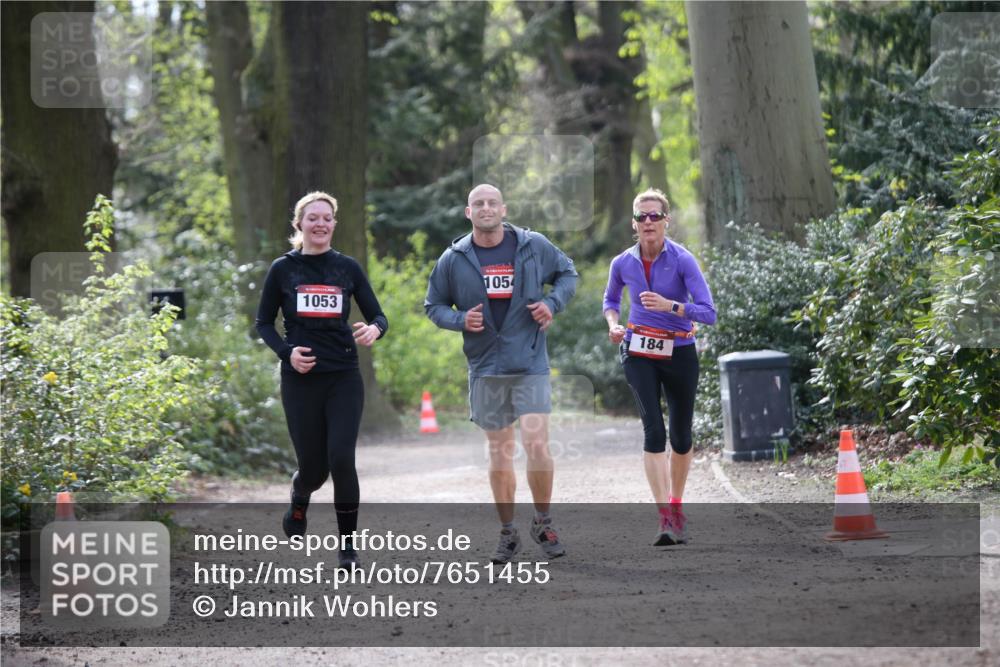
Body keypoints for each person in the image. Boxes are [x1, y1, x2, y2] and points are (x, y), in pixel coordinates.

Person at [425, 184, 578, 563]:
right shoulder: (454, 258)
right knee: (500, 451)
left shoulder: (532, 245)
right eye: (478, 203)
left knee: (536, 442)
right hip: (486, 366)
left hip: (529, 361)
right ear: (468, 212)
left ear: (504, 209)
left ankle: (543, 522)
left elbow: (567, 274)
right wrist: (460, 320)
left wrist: (552, 303)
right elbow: (434, 305)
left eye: (492, 202)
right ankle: (508, 532)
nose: (486, 208)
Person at [255, 191, 388, 569]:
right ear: (299, 224)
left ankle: (348, 549)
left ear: (334, 224)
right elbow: (263, 323)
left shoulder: (347, 268)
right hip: (301, 380)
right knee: (314, 470)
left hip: (343, 376)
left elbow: (379, 317)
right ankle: (300, 495)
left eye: (327, 218)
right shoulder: (283, 269)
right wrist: (287, 353)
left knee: (342, 459)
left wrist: (374, 330)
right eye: (313, 218)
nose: (320, 224)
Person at [602, 189, 716, 545]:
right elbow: (610, 300)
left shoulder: (683, 260)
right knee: (654, 431)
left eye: (655, 216)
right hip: (637, 350)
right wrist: (614, 325)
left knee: (681, 437)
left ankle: (677, 506)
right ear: (634, 223)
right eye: (641, 216)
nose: (648, 222)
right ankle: (664, 516)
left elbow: (709, 313)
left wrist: (672, 306)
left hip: (679, 350)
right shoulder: (622, 262)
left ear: (667, 220)